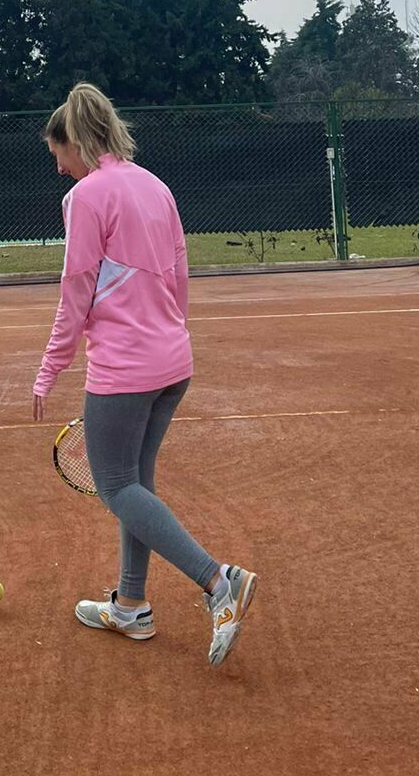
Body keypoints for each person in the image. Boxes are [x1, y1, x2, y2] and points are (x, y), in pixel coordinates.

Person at [31, 82, 257, 667]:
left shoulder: (86, 196)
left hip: (126, 368)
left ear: (75, 140)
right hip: (172, 362)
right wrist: (168, 334)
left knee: (114, 487)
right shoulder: (157, 186)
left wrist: (50, 367)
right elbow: (180, 273)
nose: (58, 167)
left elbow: (76, 288)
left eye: (58, 154)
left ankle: (219, 582)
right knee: (136, 485)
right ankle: (131, 605)